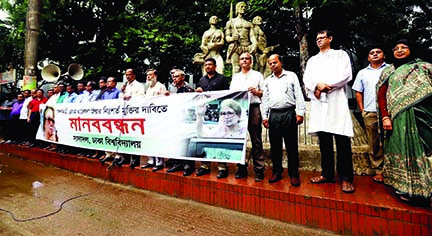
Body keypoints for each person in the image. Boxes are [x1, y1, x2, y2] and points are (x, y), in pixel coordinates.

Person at [377, 39, 432, 205]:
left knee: (427, 150)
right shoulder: (388, 72)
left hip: (423, 117)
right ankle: (407, 188)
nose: (399, 50)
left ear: (412, 49)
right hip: (398, 120)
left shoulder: (424, 67)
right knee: (403, 150)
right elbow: (382, 95)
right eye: (396, 49)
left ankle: (427, 189)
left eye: (404, 48)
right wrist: (385, 116)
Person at [303, 30, 355, 193]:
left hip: (336, 101)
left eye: (322, 38)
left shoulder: (340, 55)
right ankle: (327, 173)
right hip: (319, 103)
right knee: (324, 140)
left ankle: (346, 178)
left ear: (330, 39)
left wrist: (326, 86)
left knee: (342, 140)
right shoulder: (312, 60)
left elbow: (346, 75)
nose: (318, 41)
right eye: (316, 39)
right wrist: (317, 86)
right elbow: (307, 79)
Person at [262, 54, 305, 186]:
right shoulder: (267, 80)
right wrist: (265, 116)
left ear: (281, 62)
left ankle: (294, 174)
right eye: (270, 63)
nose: (272, 65)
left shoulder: (291, 76)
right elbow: (265, 99)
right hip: (274, 115)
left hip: (289, 113)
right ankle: (277, 172)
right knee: (275, 145)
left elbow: (298, 94)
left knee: (291, 145)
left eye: (274, 62)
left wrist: (300, 113)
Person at [352, 46, 387, 183]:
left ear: (384, 55)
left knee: (391, 141)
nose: (375, 54)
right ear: (368, 58)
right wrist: (362, 110)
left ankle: (393, 169)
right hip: (370, 112)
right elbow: (358, 92)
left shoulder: (390, 69)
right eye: (372, 53)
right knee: (373, 143)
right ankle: (378, 170)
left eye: (378, 52)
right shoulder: (362, 73)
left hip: (389, 112)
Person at [230, 52, 265, 182]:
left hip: (253, 107)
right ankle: (241, 167)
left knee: (256, 140)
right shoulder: (236, 77)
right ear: (239, 62)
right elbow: (231, 94)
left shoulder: (258, 75)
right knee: (239, 140)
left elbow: (265, 93)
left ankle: (259, 169)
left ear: (251, 61)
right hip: (239, 110)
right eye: (242, 59)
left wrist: (257, 92)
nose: (244, 60)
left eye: (247, 58)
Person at [195, 58, 230, 178]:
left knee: (219, 138)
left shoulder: (222, 79)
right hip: (205, 114)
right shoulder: (201, 80)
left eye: (210, 64)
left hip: (218, 113)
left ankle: (222, 167)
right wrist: (198, 92)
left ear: (215, 66)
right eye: (206, 65)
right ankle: (205, 165)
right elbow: (199, 97)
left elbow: (228, 95)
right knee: (205, 138)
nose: (208, 67)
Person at [165, 69, 195, 176]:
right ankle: (177, 163)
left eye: (177, 76)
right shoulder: (172, 89)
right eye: (173, 77)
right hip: (175, 120)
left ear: (183, 77)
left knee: (187, 144)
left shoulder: (189, 90)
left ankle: (188, 165)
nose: (174, 78)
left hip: (186, 120)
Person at [141, 69, 167, 171]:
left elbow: (165, 101)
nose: (148, 77)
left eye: (150, 75)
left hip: (158, 118)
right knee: (149, 139)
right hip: (148, 118)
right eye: (147, 75)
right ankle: (151, 160)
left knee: (157, 140)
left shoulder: (160, 86)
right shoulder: (148, 88)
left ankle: (159, 162)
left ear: (155, 76)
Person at [120, 68, 145, 169]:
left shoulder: (139, 86)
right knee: (125, 136)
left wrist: (131, 98)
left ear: (134, 75)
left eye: (129, 74)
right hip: (125, 114)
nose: (127, 76)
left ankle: (135, 159)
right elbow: (121, 97)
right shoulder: (125, 86)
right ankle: (125, 157)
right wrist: (122, 93)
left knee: (134, 137)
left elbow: (141, 98)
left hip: (134, 115)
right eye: (126, 74)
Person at [225, 1, 257, 75]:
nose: (243, 8)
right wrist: (232, 38)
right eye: (241, 6)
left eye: (245, 7)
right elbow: (227, 37)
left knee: (250, 67)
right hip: (235, 46)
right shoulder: (230, 22)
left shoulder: (249, 24)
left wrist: (255, 43)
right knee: (236, 68)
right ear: (237, 8)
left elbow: (252, 36)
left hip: (247, 46)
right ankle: (235, 86)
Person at [99, 77, 121, 164]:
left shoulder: (118, 92)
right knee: (106, 136)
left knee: (115, 136)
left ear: (114, 83)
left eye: (109, 82)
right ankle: (108, 154)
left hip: (114, 118)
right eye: (107, 82)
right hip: (106, 118)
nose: (107, 83)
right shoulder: (104, 93)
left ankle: (117, 155)